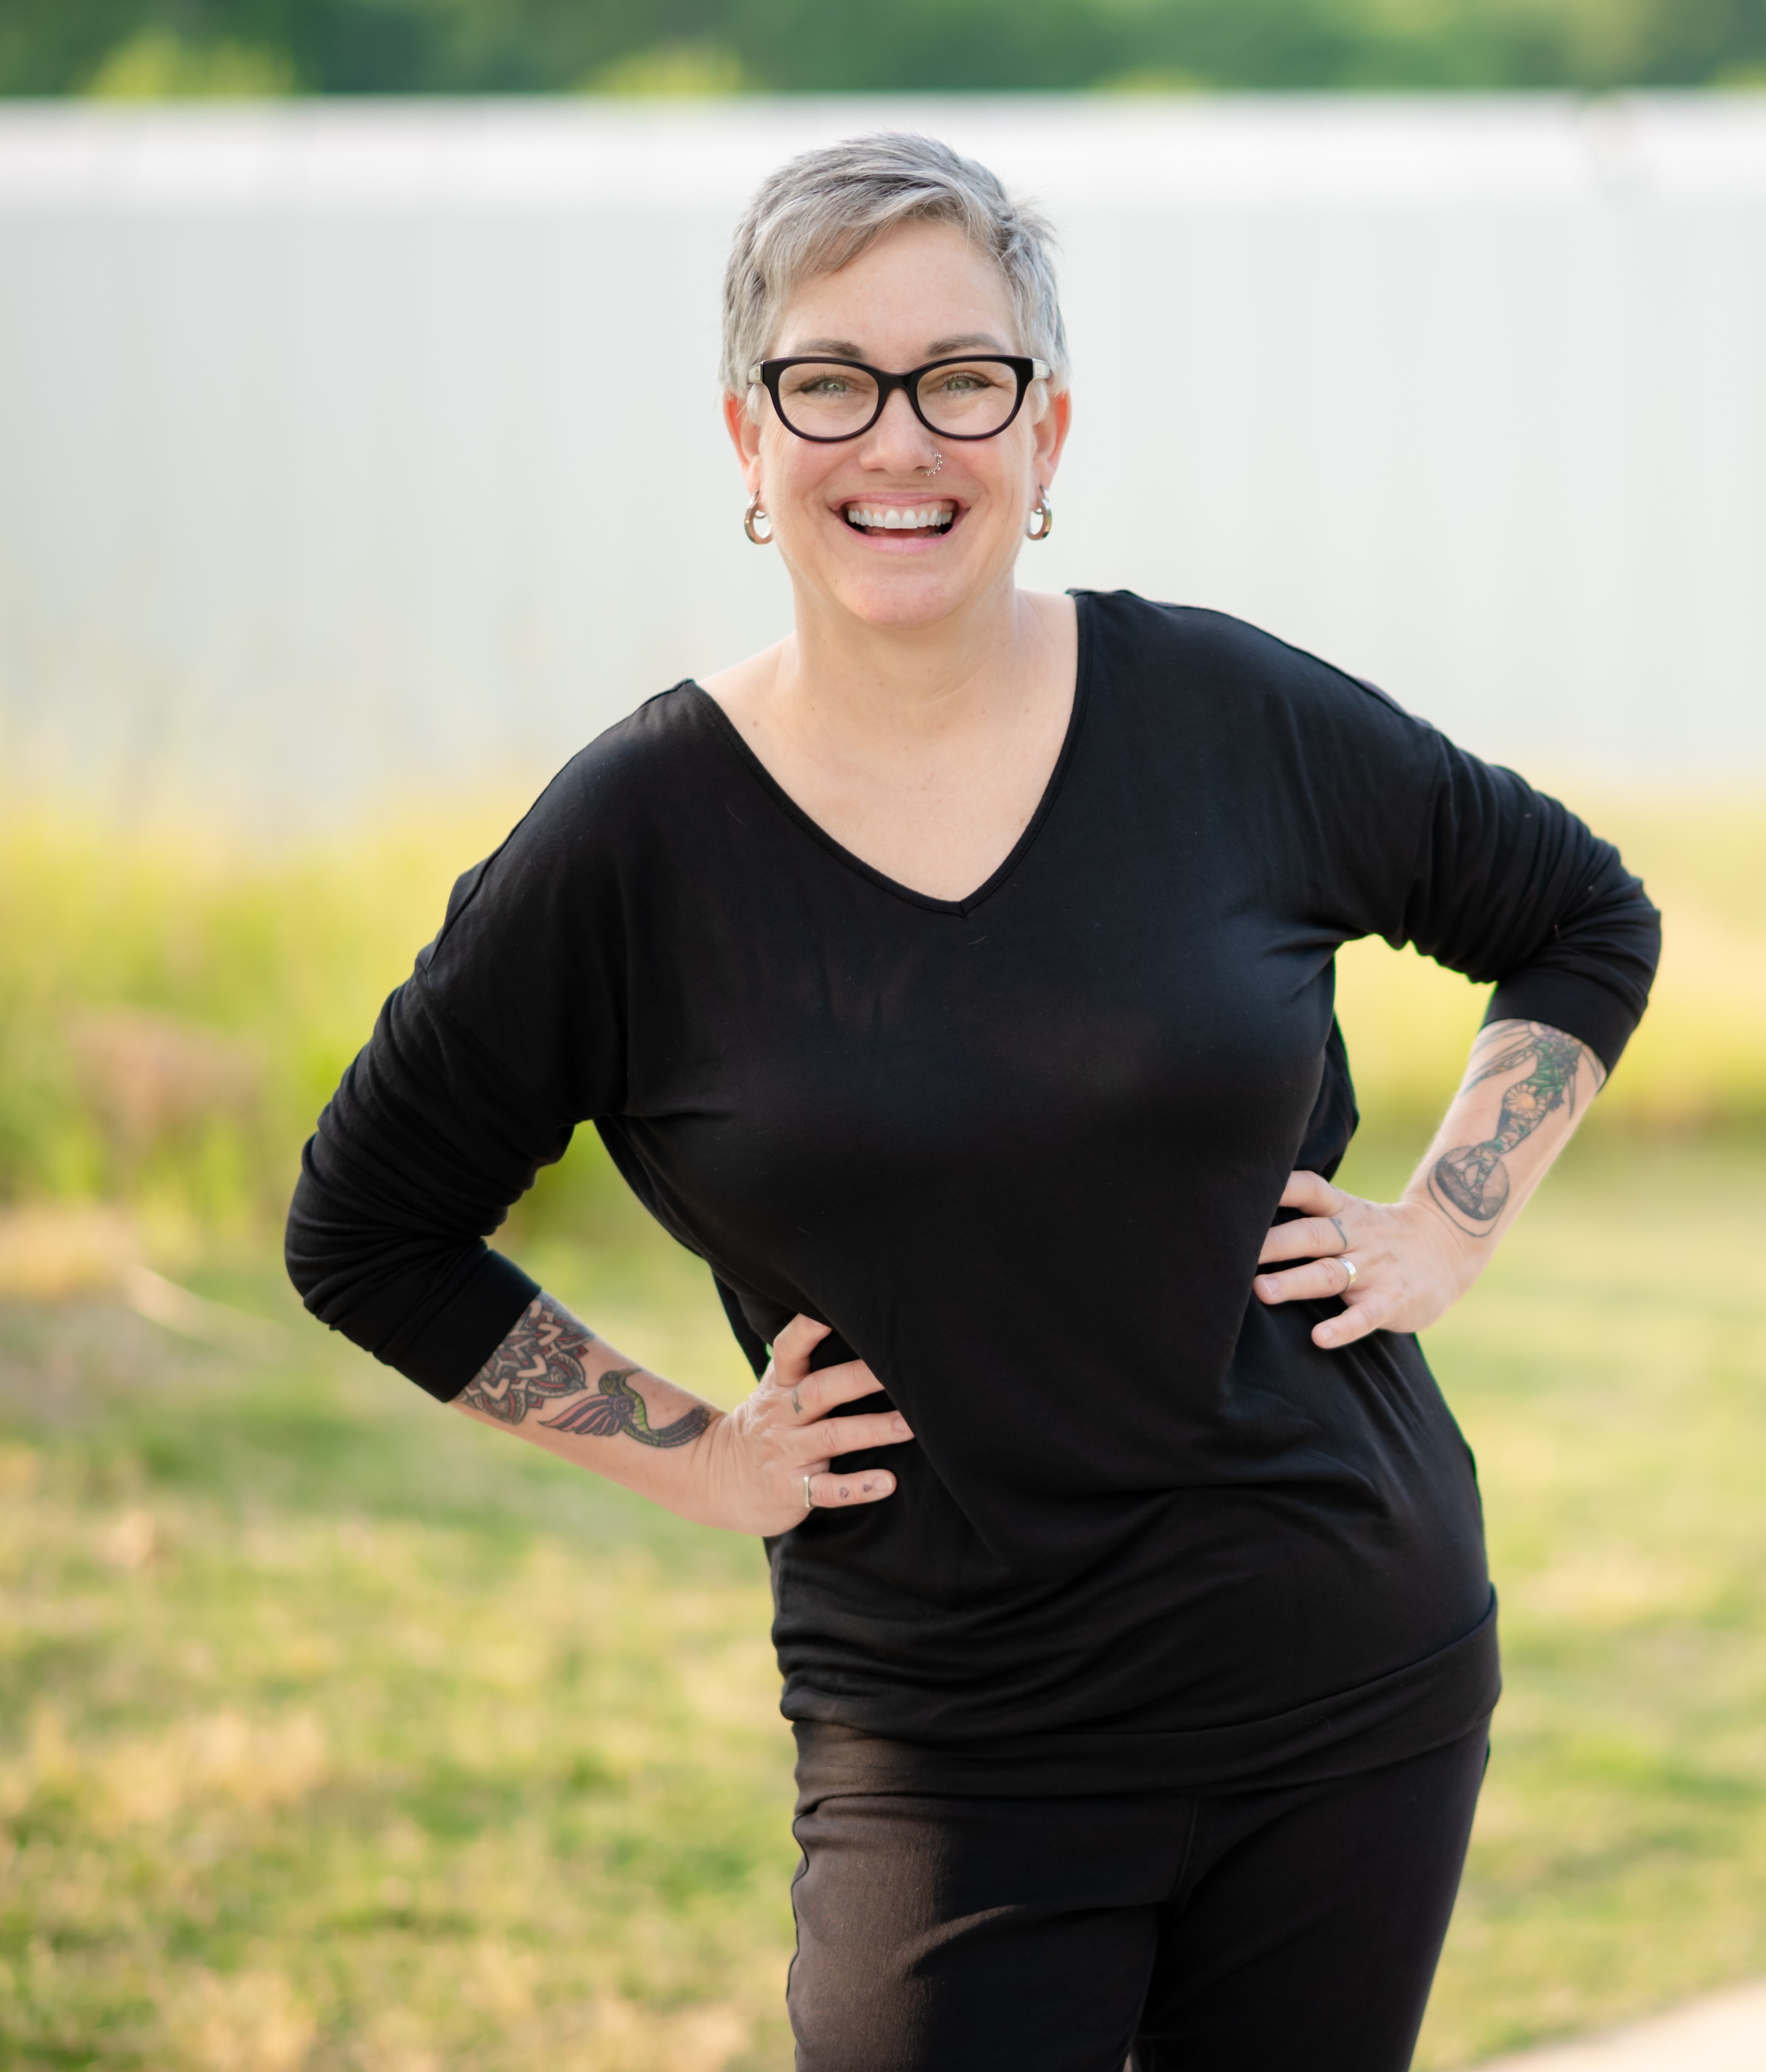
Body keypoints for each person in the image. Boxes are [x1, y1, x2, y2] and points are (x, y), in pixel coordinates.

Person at [287, 132, 1661, 2072]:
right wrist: (696, 1455)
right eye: (831, 382)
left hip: (1348, 1671)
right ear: (749, 443)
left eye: (964, 379)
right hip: (952, 1739)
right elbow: (368, 1232)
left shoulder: (1229, 720)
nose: (900, 442)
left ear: (1047, 427)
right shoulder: (635, 842)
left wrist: (1446, 1216)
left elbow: (1576, 914)